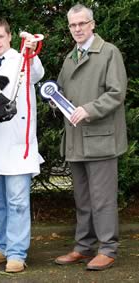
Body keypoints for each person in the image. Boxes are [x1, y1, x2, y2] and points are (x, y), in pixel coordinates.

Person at [54, 4, 127, 271]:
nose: (77, 29)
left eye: (82, 24)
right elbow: (60, 91)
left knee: (103, 199)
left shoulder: (109, 53)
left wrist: (89, 109)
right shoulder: (69, 57)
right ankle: (84, 247)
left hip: (101, 139)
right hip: (76, 141)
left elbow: (116, 93)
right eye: (73, 25)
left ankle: (108, 248)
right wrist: (55, 100)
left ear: (92, 24)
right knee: (83, 199)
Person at [0, 18, 44, 273]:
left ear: (9, 36)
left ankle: (17, 253)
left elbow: (38, 73)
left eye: (0, 37)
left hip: (17, 145)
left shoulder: (23, 61)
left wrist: (30, 47)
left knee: (17, 200)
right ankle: (4, 246)